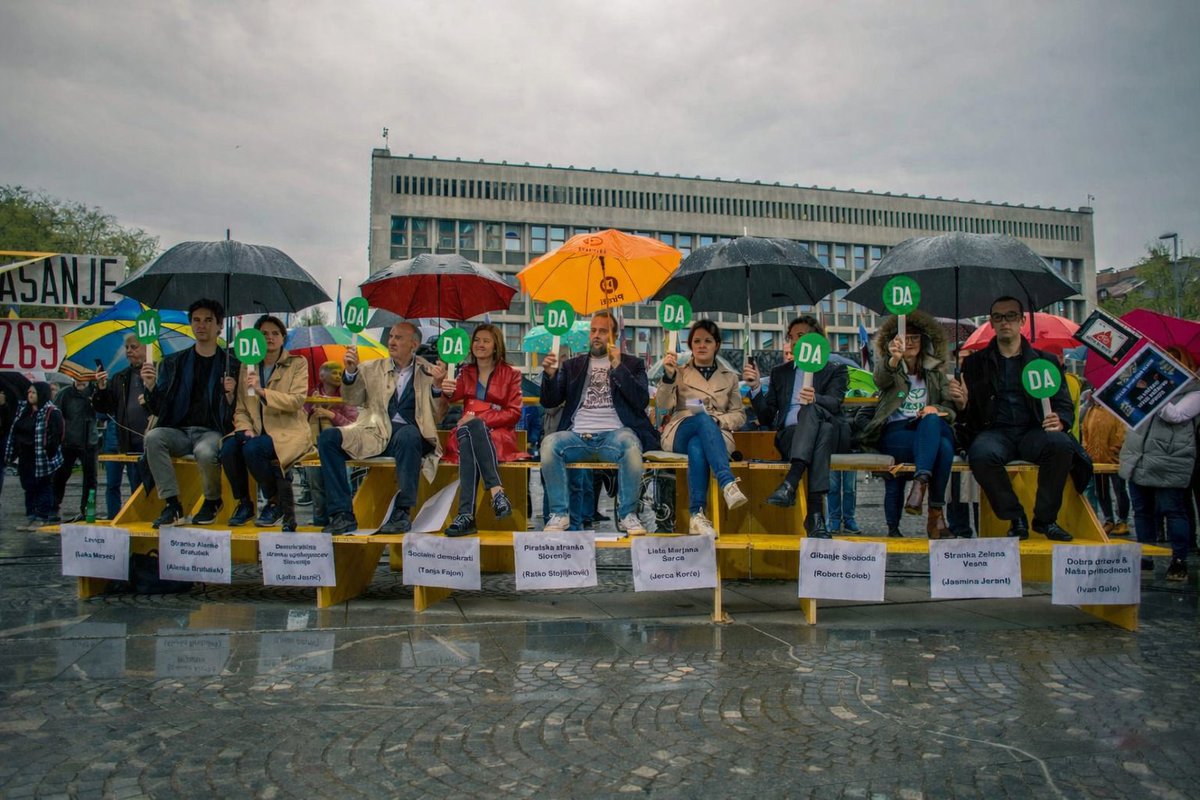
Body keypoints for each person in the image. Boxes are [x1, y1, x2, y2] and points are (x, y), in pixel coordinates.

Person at [950, 297, 1088, 542]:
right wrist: (961, 403)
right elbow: (966, 414)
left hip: (1033, 430)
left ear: (1022, 321)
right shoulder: (974, 363)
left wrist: (1061, 420)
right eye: (999, 317)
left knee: (1061, 445)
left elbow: (1064, 404)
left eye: (1011, 316)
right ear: (991, 322)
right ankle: (1015, 517)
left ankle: (1046, 519)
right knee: (980, 454)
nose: (1005, 322)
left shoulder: (1044, 361)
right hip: (994, 431)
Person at [317, 321, 445, 535]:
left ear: (413, 344)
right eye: (391, 336)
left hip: (411, 438)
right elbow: (351, 399)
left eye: (398, 337)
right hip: (373, 433)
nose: (392, 341)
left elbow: (437, 416)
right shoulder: (370, 368)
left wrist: (438, 387)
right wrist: (350, 373)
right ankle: (342, 514)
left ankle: (402, 512)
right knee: (328, 438)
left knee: (409, 435)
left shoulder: (430, 371)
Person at [539, 310, 659, 534]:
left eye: (603, 331)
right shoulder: (572, 365)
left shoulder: (633, 364)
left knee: (631, 446)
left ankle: (628, 514)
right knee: (549, 444)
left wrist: (618, 367)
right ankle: (559, 513)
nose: (596, 335)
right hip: (577, 436)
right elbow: (550, 400)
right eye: (593, 330)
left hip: (615, 435)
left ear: (614, 335)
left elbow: (641, 399)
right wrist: (550, 375)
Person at [743, 314, 848, 538]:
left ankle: (791, 481)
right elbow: (767, 416)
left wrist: (815, 398)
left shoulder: (835, 369)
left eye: (800, 336)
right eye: (791, 337)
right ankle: (816, 515)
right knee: (822, 432)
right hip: (791, 436)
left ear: (816, 338)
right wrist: (754, 389)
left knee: (813, 414)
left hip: (831, 430)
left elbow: (836, 403)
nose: (795, 342)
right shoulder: (780, 373)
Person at [141, 299, 240, 528]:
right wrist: (151, 387)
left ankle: (213, 501)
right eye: (196, 320)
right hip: (179, 431)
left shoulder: (232, 364)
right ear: (191, 324)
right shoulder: (174, 362)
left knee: (205, 452)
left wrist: (231, 396)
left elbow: (238, 411)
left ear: (219, 325)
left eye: (208, 320)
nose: (201, 325)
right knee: (153, 438)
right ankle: (172, 504)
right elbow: (160, 407)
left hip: (212, 431)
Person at [860, 310, 958, 539]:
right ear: (894, 341)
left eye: (915, 337)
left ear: (924, 341)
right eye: (904, 337)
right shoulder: (890, 366)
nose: (910, 342)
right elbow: (880, 379)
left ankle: (919, 483)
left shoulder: (935, 373)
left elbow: (950, 409)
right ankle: (935, 514)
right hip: (897, 434)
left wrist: (938, 409)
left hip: (929, 428)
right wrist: (894, 358)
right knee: (942, 448)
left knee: (932, 421)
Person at [219, 315, 312, 532]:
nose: (269, 337)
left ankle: (274, 501)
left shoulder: (297, 363)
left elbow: (296, 400)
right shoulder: (247, 366)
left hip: (287, 431)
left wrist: (262, 391)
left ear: (283, 338)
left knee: (253, 450)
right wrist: (245, 427)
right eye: (264, 333)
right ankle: (244, 503)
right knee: (228, 449)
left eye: (275, 333)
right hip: (256, 429)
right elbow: (242, 406)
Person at [656, 319, 747, 536]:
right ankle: (727, 482)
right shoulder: (678, 372)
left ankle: (697, 515)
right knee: (701, 419)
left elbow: (739, 415)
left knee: (699, 444)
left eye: (707, 340)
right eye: (696, 341)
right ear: (690, 345)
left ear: (717, 344)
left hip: (715, 432)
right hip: (680, 429)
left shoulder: (730, 377)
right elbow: (662, 406)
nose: (701, 345)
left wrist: (719, 421)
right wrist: (668, 377)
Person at [1119, 348, 1200, 581]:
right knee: (1142, 511)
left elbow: (1175, 415)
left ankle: (1179, 559)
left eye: (1174, 361)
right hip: (1140, 457)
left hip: (1169, 460)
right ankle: (1145, 555)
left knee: (1173, 510)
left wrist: (1155, 395)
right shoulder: (1148, 382)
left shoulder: (1194, 391)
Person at [437, 323, 521, 536]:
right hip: (466, 434)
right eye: (476, 340)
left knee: (471, 428)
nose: (479, 344)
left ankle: (466, 515)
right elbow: (451, 396)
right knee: (468, 432)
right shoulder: (464, 372)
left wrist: (478, 418)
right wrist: (441, 385)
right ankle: (497, 492)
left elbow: (514, 413)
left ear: (496, 346)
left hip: (498, 434)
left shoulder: (511, 374)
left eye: (485, 340)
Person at [93, 335, 150, 520]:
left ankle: (144, 521)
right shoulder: (120, 377)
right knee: (126, 485)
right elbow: (106, 409)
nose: (129, 351)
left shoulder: (158, 372)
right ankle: (121, 521)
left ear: (145, 349)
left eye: (133, 347)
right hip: (127, 440)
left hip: (150, 440)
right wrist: (101, 389)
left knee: (144, 488)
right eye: (127, 347)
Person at [304, 361, 358, 527]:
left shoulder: (346, 395)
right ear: (321, 376)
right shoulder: (310, 396)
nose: (337, 376)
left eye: (339, 373)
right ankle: (319, 522)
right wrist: (312, 410)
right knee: (316, 485)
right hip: (313, 446)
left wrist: (331, 414)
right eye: (333, 373)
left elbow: (353, 423)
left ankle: (341, 517)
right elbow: (300, 420)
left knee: (340, 483)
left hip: (338, 449)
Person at [4, 382, 63, 529]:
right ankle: (30, 515)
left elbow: (56, 435)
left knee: (43, 486)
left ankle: (42, 516)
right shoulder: (23, 410)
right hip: (25, 456)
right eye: (29, 392)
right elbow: (15, 430)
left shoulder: (51, 411)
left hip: (43, 456)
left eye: (34, 393)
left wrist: (50, 450)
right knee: (28, 486)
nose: (30, 395)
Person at [52, 376, 99, 522]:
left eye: (83, 379)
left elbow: (105, 410)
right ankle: (54, 507)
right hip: (68, 442)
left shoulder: (94, 392)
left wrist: (94, 400)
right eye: (77, 378)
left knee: (91, 479)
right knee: (60, 476)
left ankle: (88, 511)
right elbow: (56, 415)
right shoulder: (65, 393)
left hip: (89, 442)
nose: (80, 381)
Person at [1081, 397, 1129, 535]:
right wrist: (1087, 449)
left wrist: (1114, 450)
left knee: (1119, 490)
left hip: (1114, 460)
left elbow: (1122, 433)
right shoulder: (1091, 410)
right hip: (1096, 460)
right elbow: (1085, 430)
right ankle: (1109, 520)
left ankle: (1122, 521)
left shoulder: (1115, 410)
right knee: (1101, 491)